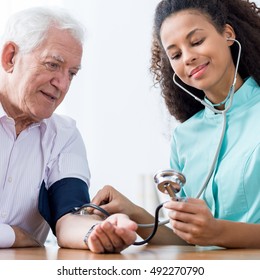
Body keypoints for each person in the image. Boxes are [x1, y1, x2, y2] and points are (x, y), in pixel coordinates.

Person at [90, 0, 260, 248]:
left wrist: (217, 232)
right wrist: (133, 211)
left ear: (228, 34)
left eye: (197, 41)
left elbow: (210, 236)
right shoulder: (185, 136)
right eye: (176, 54)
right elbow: (187, 242)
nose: (188, 57)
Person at [0, 6, 137, 253]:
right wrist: (11, 235)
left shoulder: (64, 136)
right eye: (52, 65)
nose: (62, 84)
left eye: (71, 73)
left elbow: (69, 214)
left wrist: (95, 231)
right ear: (10, 57)